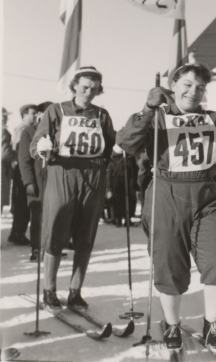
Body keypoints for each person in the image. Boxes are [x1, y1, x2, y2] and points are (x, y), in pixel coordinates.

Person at [116, 63, 216, 351]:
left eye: (200, 87)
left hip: (207, 195)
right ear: (174, 85)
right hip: (166, 193)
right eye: (188, 85)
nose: (194, 92)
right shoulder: (158, 117)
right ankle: (171, 323)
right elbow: (126, 143)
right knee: (169, 266)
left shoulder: (212, 118)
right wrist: (146, 109)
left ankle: (212, 323)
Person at [30, 66, 116, 313]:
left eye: (94, 88)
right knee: (56, 229)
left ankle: (75, 292)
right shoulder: (55, 110)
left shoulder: (102, 115)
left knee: (85, 234)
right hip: (63, 173)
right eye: (85, 87)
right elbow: (36, 145)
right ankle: (49, 290)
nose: (89, 92)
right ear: (75, 86)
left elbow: (110, 148)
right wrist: (42, 148)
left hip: (93, 176)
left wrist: (119, 154)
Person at [19, 102, 53, 261]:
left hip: (53, 183)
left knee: (53, 216)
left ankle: (49, 249)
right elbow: (24, 161)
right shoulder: (29, 132)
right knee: (37, 217)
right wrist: (29, 182)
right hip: (37, 184)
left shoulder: (56, 132)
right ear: (40, 115)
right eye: (46, 113)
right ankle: (36, 251)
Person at [8, 104, 38, 246]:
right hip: (21, 173)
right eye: (32, 113)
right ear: (25, 115)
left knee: (22, 205)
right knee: (21, 205)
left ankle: (17, 234)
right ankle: (17, 235)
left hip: (21, 172)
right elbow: (21, 153)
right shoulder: (23, 130)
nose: (35, 116)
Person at [106, 145, 139, 227]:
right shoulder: (126, 160)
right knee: (122, 201)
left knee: (124, 201)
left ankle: (122, 220)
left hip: (122, 182)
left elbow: (132, 173)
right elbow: (109, 175)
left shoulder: (127, 160)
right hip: (119, 182)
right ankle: (121, 219)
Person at [2, 107, 16, 214]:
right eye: (3, 116)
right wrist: (13, 158)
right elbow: (4, 154)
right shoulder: (3, 131)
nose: (6, 118)